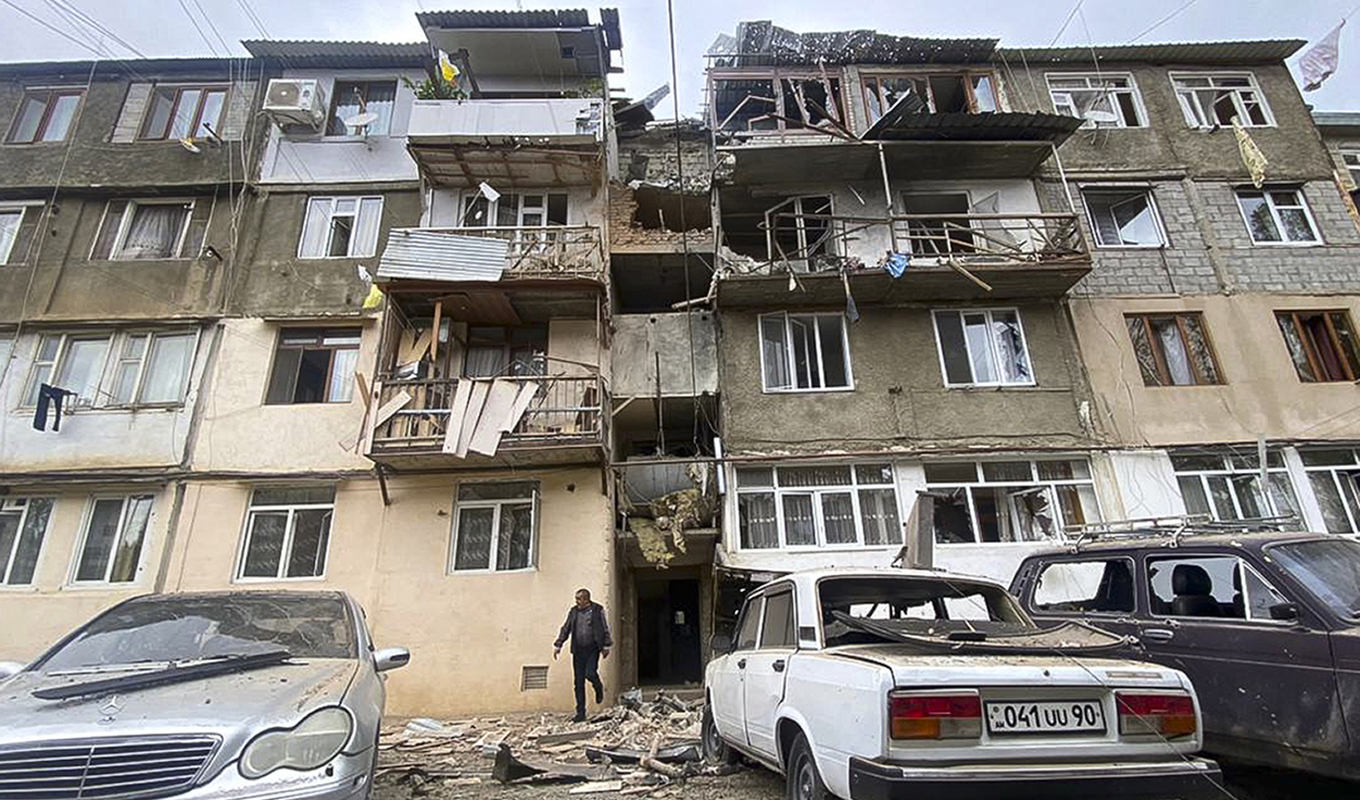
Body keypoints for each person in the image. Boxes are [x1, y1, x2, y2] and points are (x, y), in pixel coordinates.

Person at [553, 588, 612, 722]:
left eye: (579, 599)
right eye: (576, 599)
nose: (577, 601)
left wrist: (606, 646)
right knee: (578, 682)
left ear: (586, 599)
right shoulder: (574, 612)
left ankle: (598, 686)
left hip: (592, 649)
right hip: (578, 650)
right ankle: (581, 713)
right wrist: (558, 644)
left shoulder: (597, 610)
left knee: (590, 673)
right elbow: (566, 628)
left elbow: (604, 627)